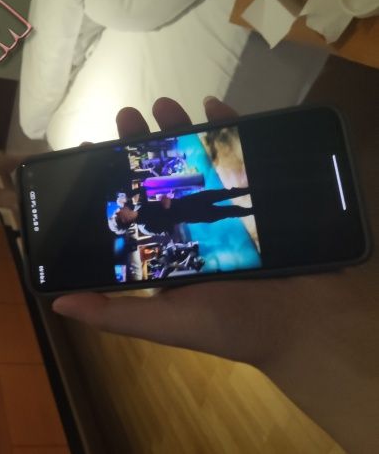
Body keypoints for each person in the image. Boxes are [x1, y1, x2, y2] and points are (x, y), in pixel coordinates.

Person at [53, 97, 379, 453]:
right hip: (192, 213)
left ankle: (252, 197)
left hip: (192, 204)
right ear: (123, 222)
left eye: (121, 213)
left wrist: (165, 196)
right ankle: (250, 205)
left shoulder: (141, 207)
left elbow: (163, 202)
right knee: (224, 211)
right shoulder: (143, 221)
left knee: (225, 195)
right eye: (121, 217)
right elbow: (166, 221)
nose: (124, 213)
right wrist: (165, 205)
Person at [112, 186, 253, 234]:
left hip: (191, 200)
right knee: (231, 211)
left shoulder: (139, 206)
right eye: (118, 213)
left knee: (225, 193)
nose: (119, 209)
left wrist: (128, 195)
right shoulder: (146, 227)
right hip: (195, 214)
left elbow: (143, 189)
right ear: (124, 219)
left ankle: (250, 189)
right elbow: (169, 230)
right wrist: (167, 207)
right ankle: (253, 210)